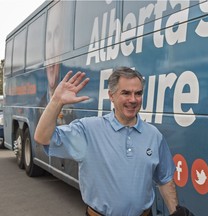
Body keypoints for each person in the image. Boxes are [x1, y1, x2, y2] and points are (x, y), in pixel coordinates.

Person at [34, 67, 193, 216]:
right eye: (126, 93)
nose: (133, 99)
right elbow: (43, 137)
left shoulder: (154, 135)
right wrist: (56, 101)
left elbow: (165, 180)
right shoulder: (88, 130)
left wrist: (175, 212)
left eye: (138, 93)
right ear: (111, 96)